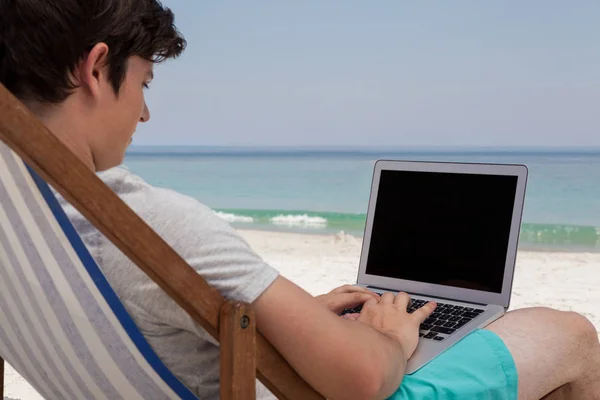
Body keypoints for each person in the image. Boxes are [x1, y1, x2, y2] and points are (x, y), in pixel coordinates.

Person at [1, 1, 599, 399]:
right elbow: (365, 378)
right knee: (568, 333)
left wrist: (304, 318)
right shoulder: (144, 224)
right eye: (143, 84)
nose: (146, 112)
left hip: (244, 365)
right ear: (96, 68)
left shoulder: (19, 222)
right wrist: (390, 337)